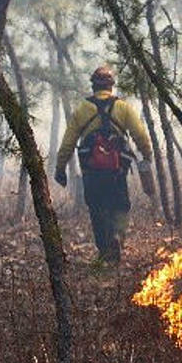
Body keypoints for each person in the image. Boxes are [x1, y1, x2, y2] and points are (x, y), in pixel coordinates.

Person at [54, 66, 155, 263]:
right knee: (120, 206)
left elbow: (68, 142)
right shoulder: (123, 107)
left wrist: (60, 168)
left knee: (96, 208)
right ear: (111, 86)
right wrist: (147, 155)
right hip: (117, 171)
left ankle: (104, 251)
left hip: (92, 172)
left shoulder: (83, 109)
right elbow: (141, 136)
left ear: (93, 86)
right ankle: (117, 237)